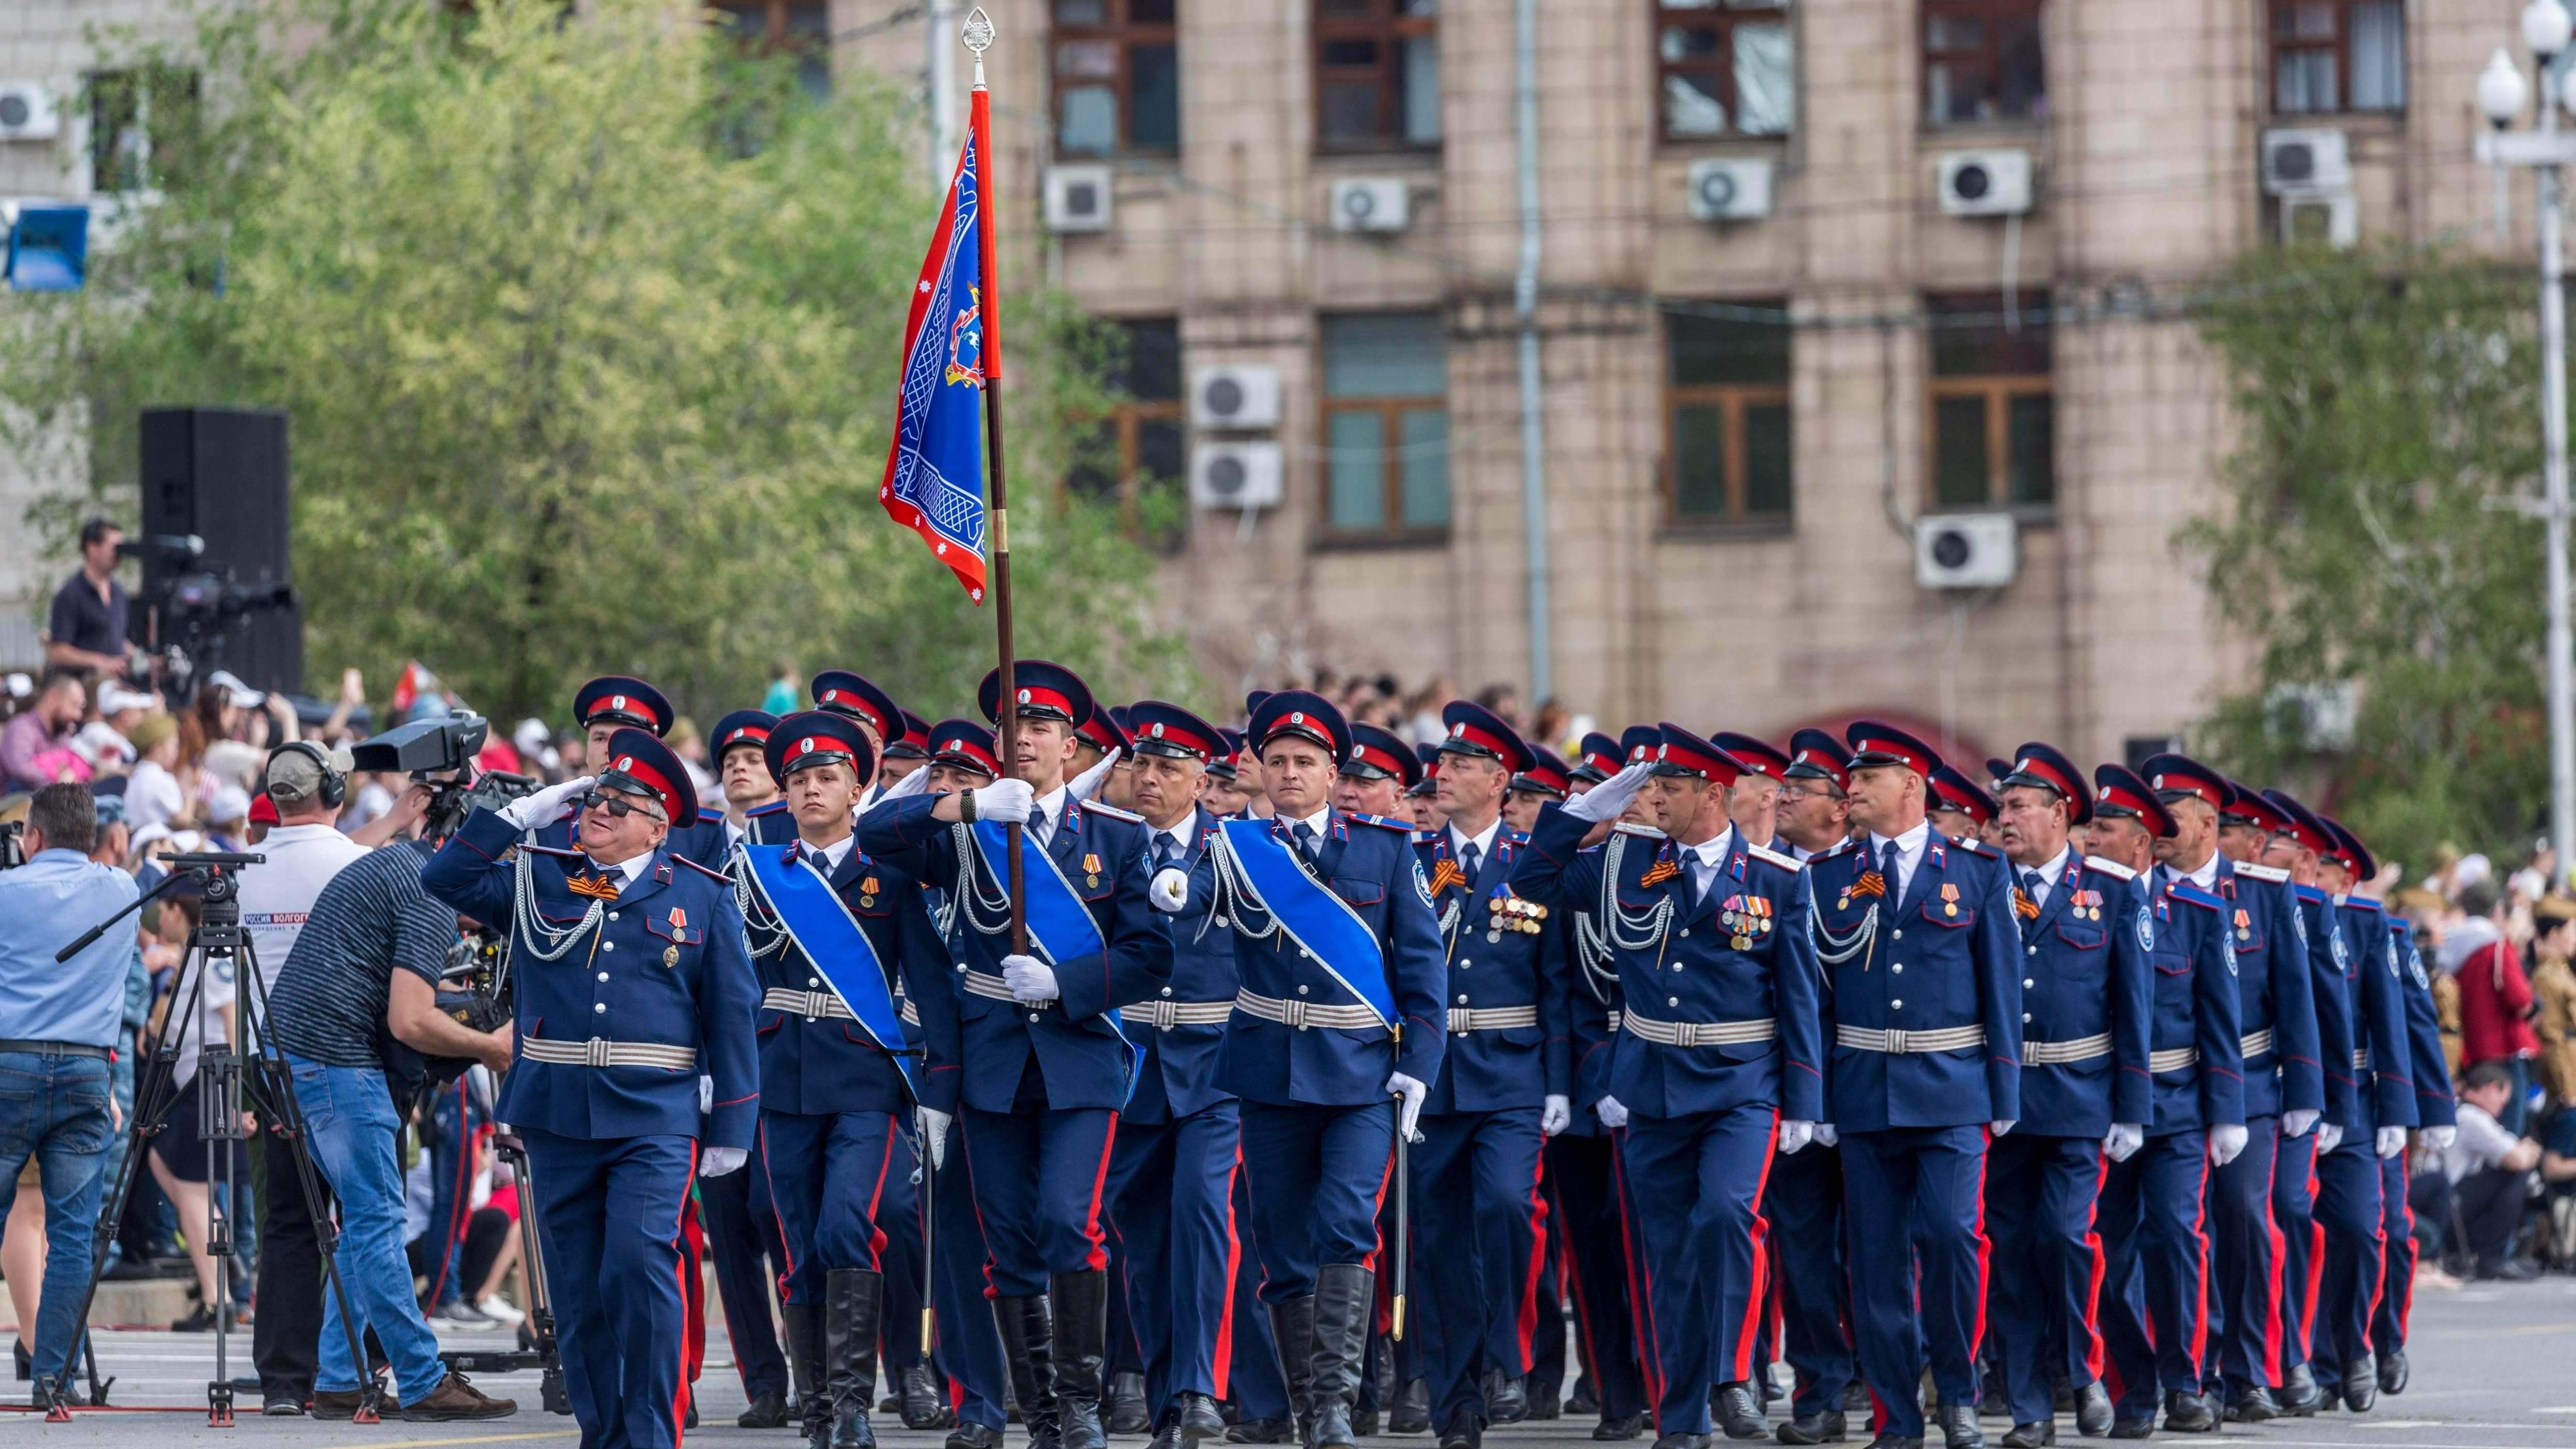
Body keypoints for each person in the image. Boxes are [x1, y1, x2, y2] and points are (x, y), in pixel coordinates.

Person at [856, 662, 1172, 1449]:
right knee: (1008, 1247)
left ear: (1072, 746)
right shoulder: (969, 829)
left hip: (1079, 1060)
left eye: (1040, 730)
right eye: (1010, 730)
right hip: (993, 1063)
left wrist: (1064, 983)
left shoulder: (1116, 837)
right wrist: (963, 802)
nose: (1022, 740)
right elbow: (872, 836)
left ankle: (1081, 1408)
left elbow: (1147, 954)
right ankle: (1043, 1419)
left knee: (1070, 1224)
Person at [422, 727, 760, 1447]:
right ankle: (603, 1435)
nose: (598, 809)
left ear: (658, 826)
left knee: (639, 1270)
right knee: (578, 1294)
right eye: (594, 797)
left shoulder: (700, 896)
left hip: (655, 1116)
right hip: (557, 1113)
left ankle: (651, 1434)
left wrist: (732, 1127)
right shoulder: (541, 874)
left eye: (620, 803)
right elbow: (442, 880)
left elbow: (732, 1014)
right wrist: (513, 818)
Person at [1515, 721, 1821, 1444]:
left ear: (1713, 793)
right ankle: (1680, 1418)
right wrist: (1586, 813)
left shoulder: (1777, 879)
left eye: (1669, 787)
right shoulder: (1626, 857)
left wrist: (1805, 1098)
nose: (1654, 799)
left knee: (1724, 1216)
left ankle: (1731, 1373)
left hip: (1742, 1083)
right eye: (1650, 786)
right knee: (1667, 1254)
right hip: (1651, 1082)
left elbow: (1799, 994)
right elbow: (1531, 883)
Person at [1210, 690, 1443, 1449]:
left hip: (1360, 1078)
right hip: (1270, 1074)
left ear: (1331, 770)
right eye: (1275, 761)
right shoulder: (1233, 849)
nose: (1288, 774)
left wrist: (1421, 1063)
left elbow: (1420, 967)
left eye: (1304, 762)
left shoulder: (1384, 849)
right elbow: (1181, 906)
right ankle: (1311, 1405)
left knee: (1346, 1225)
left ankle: (1338, 1407)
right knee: (1280, 1246)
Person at [739, 711, 954, 1449]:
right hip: (783, 1080)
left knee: (845, 1225)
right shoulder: (758, 873)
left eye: (826, 778)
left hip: (867, 1079)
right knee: (800, 1248)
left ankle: (857, 1405)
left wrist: (942, 1086)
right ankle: (822, 1406)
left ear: (858, 787)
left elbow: (929, 980)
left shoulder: (889, 875)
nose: (810, 791)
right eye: (797, 780)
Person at [1410, 702, 1573, 1447]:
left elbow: (1558, 982)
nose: (1442, 774)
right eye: (1442, 763)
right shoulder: (1411, 857)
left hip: (1511, 1073)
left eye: (1461, 765)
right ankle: (1458, 1408)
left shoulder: (1530, 862)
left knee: (1508, 1206)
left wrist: (1561, 1083)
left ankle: (1509, 1350)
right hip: (1432, 1075)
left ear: (1500, 781)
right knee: (1440, 1237)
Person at [2143, 755, 2322, 1425]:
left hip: (2249, 1085)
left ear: (2209, 823)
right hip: (2169, 1085)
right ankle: (2193, 1368)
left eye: (2173, 813)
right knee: (2177, 1232)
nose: (2158, 825)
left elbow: (2295, 997)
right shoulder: (2138, 892)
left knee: (2246, 1221)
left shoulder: (2263, 894)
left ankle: (2251, 1369)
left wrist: (2305, 1092)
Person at [1978, 744, 2148, 1445]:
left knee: (2066, 1238)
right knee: (2011, 1255)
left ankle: (2082, 1370)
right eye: (2003, 807)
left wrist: (2133, 1107)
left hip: (2079, 1099)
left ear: (2060, 814)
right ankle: (2028, 1409)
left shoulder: (2110, 891)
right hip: (2003, 1101)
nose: (2005, 818)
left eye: (2019, 807)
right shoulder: (1983, 884)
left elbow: (2133, 1006)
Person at [1103, 700, 1243, 1449]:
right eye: (1142, 765)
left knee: (1200, 1213)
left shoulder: (1237, 850)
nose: (1150, 778)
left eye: (1168, 768)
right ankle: (1163, 1396)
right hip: (1131, 1070)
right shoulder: (1111, 847)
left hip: (1216, 1068)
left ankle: (1199, 1388)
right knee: (1142, 1235)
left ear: (1200, 781)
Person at [235, 743, 375, 1412]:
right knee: (366, 1215)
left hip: (271, 1062)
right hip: (347, 1057)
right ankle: (354, 1367)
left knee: (289, 1224)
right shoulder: (355, 863)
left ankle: (283, 1384)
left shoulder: (242, 871)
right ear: (335, 789)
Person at [0, 784, 138, 1405]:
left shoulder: (6, 892)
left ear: (34, 837)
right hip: (88, 1073)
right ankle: (55, 1381)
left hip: (11, 1064)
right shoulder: (122, 890)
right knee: (73, 1236)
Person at [2412, 1062, 2540, 1280]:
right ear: (2491, 1089)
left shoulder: (2460, 1111)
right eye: (2503, 1099)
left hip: (2438, 1202)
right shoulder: (2471, 1116)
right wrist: (2530, 1149)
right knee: (2515, 1175)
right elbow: (2517, 1159)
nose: (2503, 1107)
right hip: (2445, 1206)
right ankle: (2492, 1259)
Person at [2445, 881, 2537, 1133]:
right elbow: (2520, 1000)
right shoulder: (2496, 945)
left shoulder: (2450, 942)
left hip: (2470, 1050)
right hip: (2503, 1051)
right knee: (2507, 1134)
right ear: (2497, 909)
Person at [44, 518, 133, 679]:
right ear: (92, 548)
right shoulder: (71, 594)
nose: (119, 554)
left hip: (116, 685)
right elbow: (58, 652)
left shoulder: (119, 592)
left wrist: (142, 660)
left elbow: (118, 639)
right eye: (115, 547)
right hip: (83, 687)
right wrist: (100, 662)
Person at [2528, 899, 2576, 1108]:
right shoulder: (2545, 978)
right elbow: (2552, 1038)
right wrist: (2568, 1091)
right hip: (2564, 1082)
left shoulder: (2562, 971)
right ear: (2555, 933)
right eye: (2573, 930)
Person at [2, 674, 84, 792]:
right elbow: (22, 771)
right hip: (16, 808)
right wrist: (59, 784)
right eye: (74, 705)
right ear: (53, 698)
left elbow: (70, 769)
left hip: (49, 804)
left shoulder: (61, 732)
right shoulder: (21, 727)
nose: (78, 715)